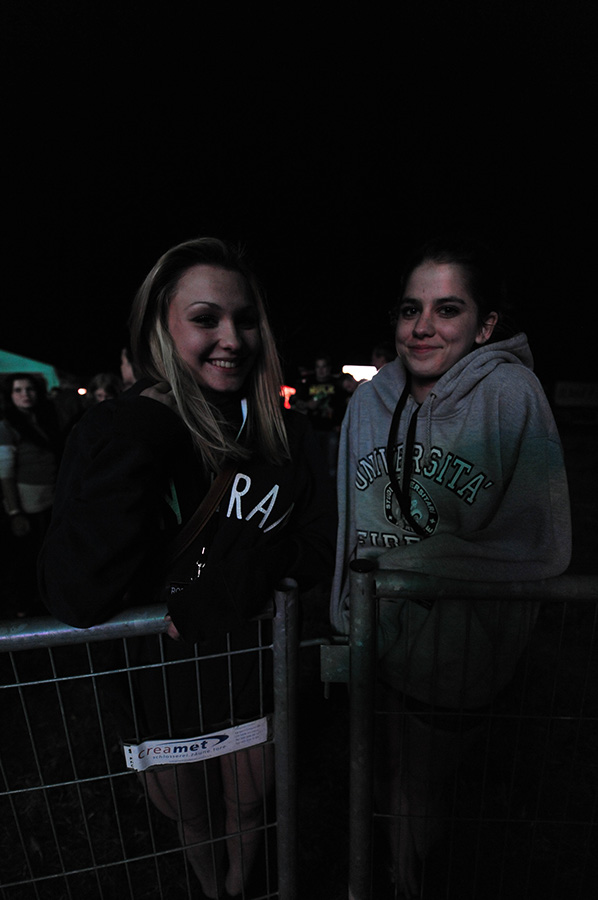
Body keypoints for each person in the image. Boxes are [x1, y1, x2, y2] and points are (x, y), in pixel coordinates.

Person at [38, 237, 336, 898]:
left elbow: (318, 542)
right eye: (205, 319)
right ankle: (210, 889)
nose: (232, 338)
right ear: (161, 329)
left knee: (249, 807)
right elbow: (76, 594)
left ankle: (237, 885)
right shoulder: (115, 431)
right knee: (191, 816)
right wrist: (145, 423)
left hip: (248, 668)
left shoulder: (286, 434)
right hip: (157, 682)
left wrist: (248, 576)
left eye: (246, 319)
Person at [330, 235, 572, 897]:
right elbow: (349, 523)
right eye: (411, 309)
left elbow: (538, 540)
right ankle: (389, 871)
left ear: (485, 325)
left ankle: (408, 882)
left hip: (456, 652)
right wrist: (348, 616)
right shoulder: (369, 402)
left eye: (447, 309)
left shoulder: (512, 394)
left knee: (420, 787)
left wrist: (412, 567)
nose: (423, 326)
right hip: (373, 642)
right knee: (381, 777)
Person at [0, 373, 62, 616]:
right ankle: (26, 609)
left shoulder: (43, 420)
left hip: (49, 500)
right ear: (10, 395)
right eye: (18, 390)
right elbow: (5, 473)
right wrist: (15, 511)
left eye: (29, 389)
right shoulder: (7, 427)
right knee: (27, 559)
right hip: (28, 504)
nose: (25, 394)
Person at [291, 355, 347, 478]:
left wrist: (340, 424)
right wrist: (307, 404)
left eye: (324, 367)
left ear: (329, 368)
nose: (321, 370)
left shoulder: (336, 384)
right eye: (318, 367)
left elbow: (343, 405)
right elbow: (295, 401)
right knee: (312, 464)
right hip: (312, 429)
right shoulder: (308, 383)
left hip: (331, 430)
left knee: (331, 465)